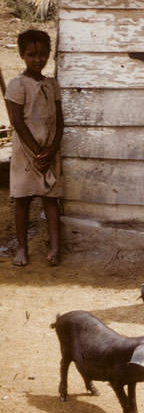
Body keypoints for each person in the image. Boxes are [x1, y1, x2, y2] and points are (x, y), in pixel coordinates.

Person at [5, 29, 63, 267]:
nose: (38, 59)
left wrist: (51, 149)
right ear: (21, 55)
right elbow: (17, 121)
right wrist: (37, 151)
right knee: (22, 199)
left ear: (49, 54)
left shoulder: (52, 84)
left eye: (42, 54)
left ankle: (55, 247)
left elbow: (59, 120)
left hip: (50, 151)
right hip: (26, 153)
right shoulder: (17, 84)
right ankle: (21, 247)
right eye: (31, 54)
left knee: (51, 199)